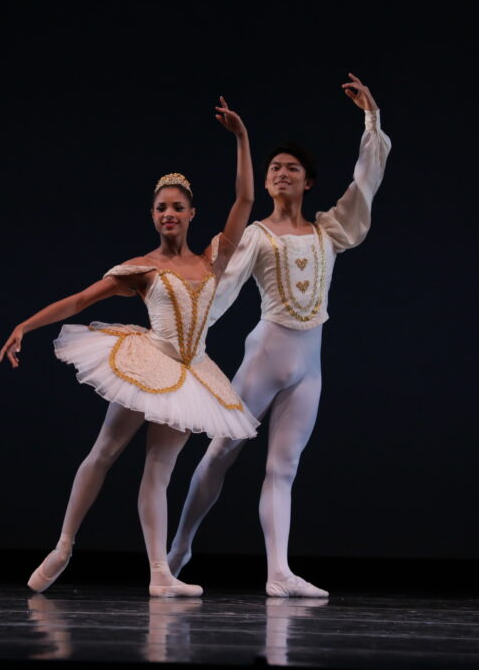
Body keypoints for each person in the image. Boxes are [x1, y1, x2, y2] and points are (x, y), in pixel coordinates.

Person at [0, 98, 259, 597]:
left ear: (191, 214)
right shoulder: (142, 268)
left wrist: (242, 138)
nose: (169, 213)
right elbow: (79, 299)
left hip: (192, 372)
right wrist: (25, 326)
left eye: (177, 207)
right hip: (149, 362)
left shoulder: (212, 261)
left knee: (159, 469)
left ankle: (160, 573)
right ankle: (63, 545)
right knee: (105, 451)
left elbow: (245, 201)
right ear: (153, 215)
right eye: (161, 207)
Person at [166, 74, 391, 597]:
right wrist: (186, 341)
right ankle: (180, 547)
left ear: (308, 182)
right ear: (266, 183)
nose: (281, 174)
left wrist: (371, 118)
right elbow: (220, 291)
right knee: (221, 452)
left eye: (291, 169)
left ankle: (278, 573)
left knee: (283, 468)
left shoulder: (328, 230)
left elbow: (366, 183)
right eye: (274, 169)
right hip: (266, 355)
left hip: (309, 367)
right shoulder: (257, 236)